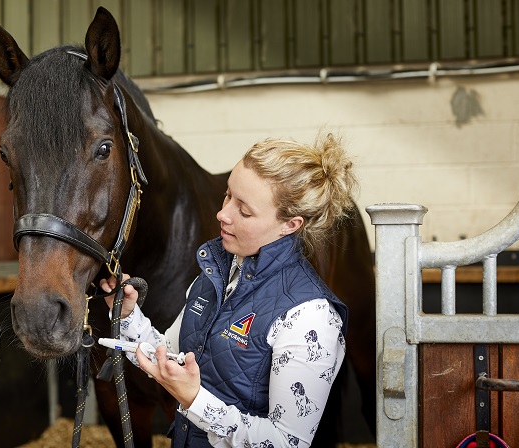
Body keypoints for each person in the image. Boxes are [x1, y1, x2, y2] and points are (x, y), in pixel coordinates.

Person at [100, 133, 357, 448]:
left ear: (290, 225)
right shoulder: (214, 276)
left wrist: (194, 400)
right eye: (227, 196)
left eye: (244, 211)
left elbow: (286, 442)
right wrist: (128, 316)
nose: (223, 214)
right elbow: (172, 359)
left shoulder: (310, 316)